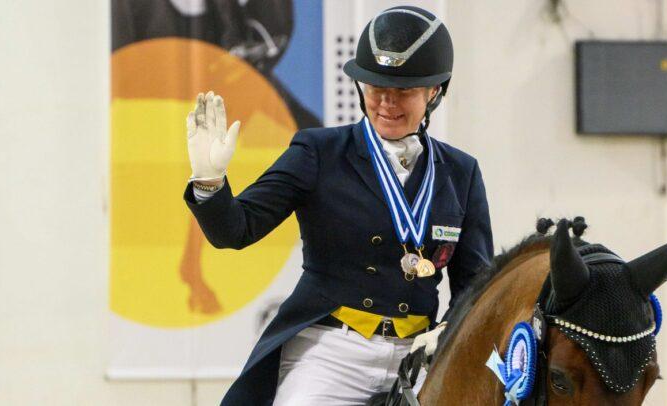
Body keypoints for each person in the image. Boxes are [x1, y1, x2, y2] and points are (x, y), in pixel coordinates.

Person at [183, 6, 493, 405]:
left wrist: (449, 332)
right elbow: (236, 230)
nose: (387, 103)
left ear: (434, 92)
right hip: (331, 352)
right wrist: (209, 182)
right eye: (375, 88)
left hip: (421, 354)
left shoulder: (461, 173)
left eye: (403, 91)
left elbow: (476, 284)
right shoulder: (318, 152)